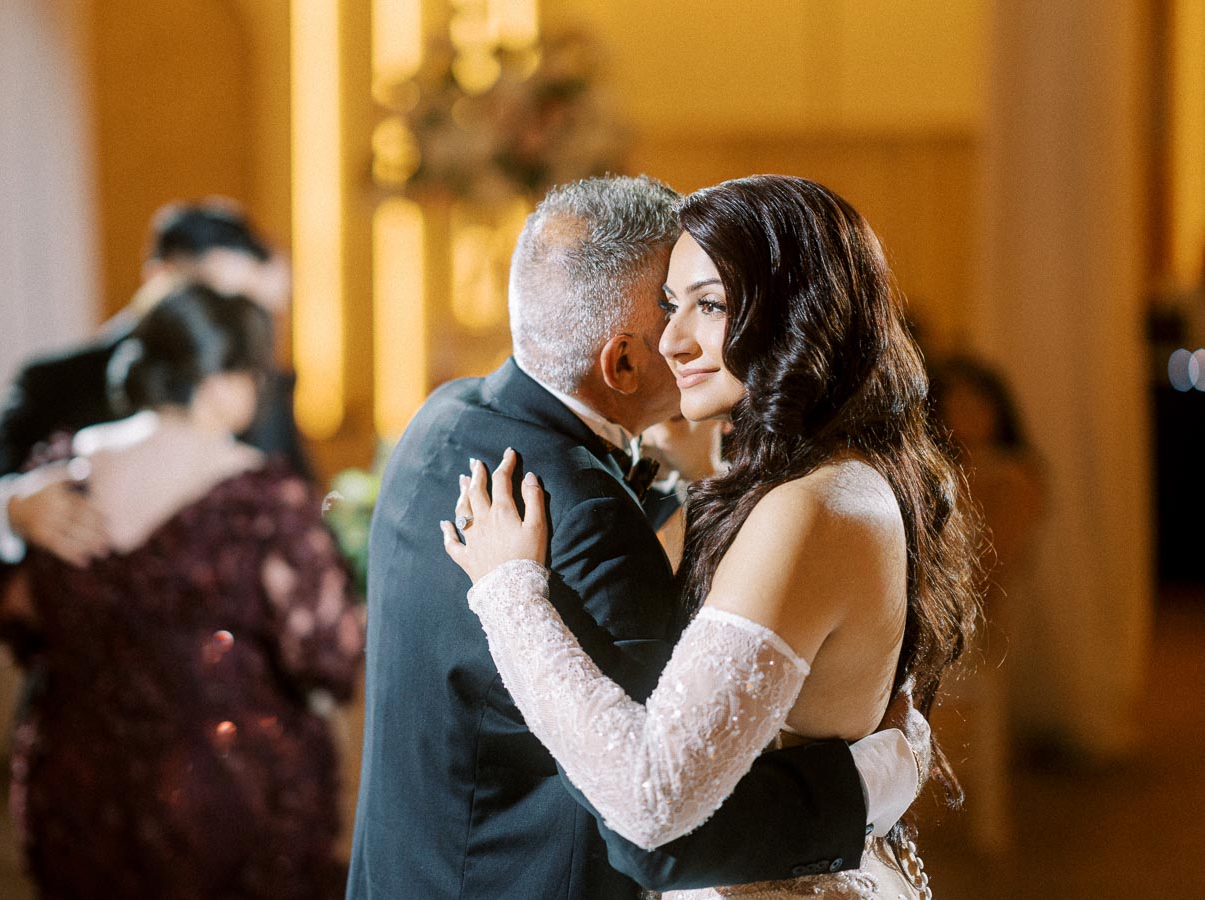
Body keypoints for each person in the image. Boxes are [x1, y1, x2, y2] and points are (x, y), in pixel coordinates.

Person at [348, 176, 930, 900]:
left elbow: (658, 816)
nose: (678, 337)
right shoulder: (590, 511)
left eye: (706, 303)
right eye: (668, 308)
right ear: (621, 363)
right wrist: (882, 776)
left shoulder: (448, 417)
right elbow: (659, 829)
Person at [0, 283, 364, 898]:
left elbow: (16, 615)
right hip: (226, 796)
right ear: (221, 384)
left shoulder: (57, 476)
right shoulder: (260, 498)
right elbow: (326, 654)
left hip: (75, 788)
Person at [0, 199, 310, 569]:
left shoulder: (261, 386)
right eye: (213, 296)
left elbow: (308, 503)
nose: (230, 323)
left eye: (244, 303)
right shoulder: (56, 381)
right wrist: (15, 509)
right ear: (159, 278)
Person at [929, 354, 1044, 854]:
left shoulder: (1011, 476)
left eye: (978, 403)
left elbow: (995, 573)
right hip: (928, 614)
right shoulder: (933, 470)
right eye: (955, 403)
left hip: (973, 623)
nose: (967, 414)